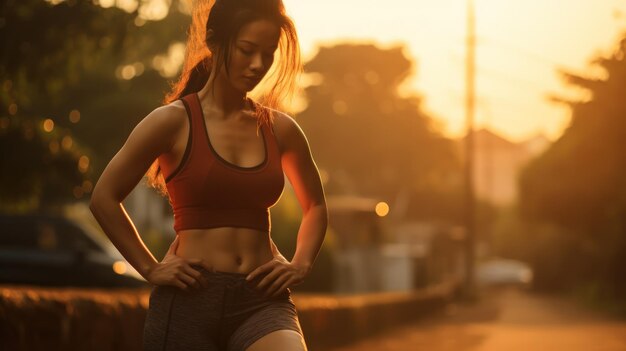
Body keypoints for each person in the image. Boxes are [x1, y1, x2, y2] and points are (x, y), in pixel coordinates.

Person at [89, 0, 328, 349]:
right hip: (189, 300)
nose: (258, 65)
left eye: (268, 53)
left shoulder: (281, 130)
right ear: (215, 41)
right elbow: (104, 198)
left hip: (261, 299)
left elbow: (316, 206)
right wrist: (150, 268)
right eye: (247, 50)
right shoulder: (171, 122)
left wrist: (301, 264)